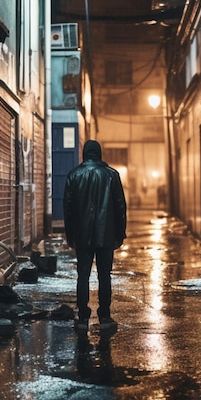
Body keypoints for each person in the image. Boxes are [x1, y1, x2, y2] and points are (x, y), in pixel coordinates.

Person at [63, 139, 127, 332]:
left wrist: (71, 235)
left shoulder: (74, 175)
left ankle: (83, 317)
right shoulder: (111, 175)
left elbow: (68, 209)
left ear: (85, 154)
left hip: (82, 236)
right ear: (99, 154)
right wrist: (120, 233)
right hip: (106, 235)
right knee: (104, 275)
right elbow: (120, 207)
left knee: (83, 275)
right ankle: (105, 315)